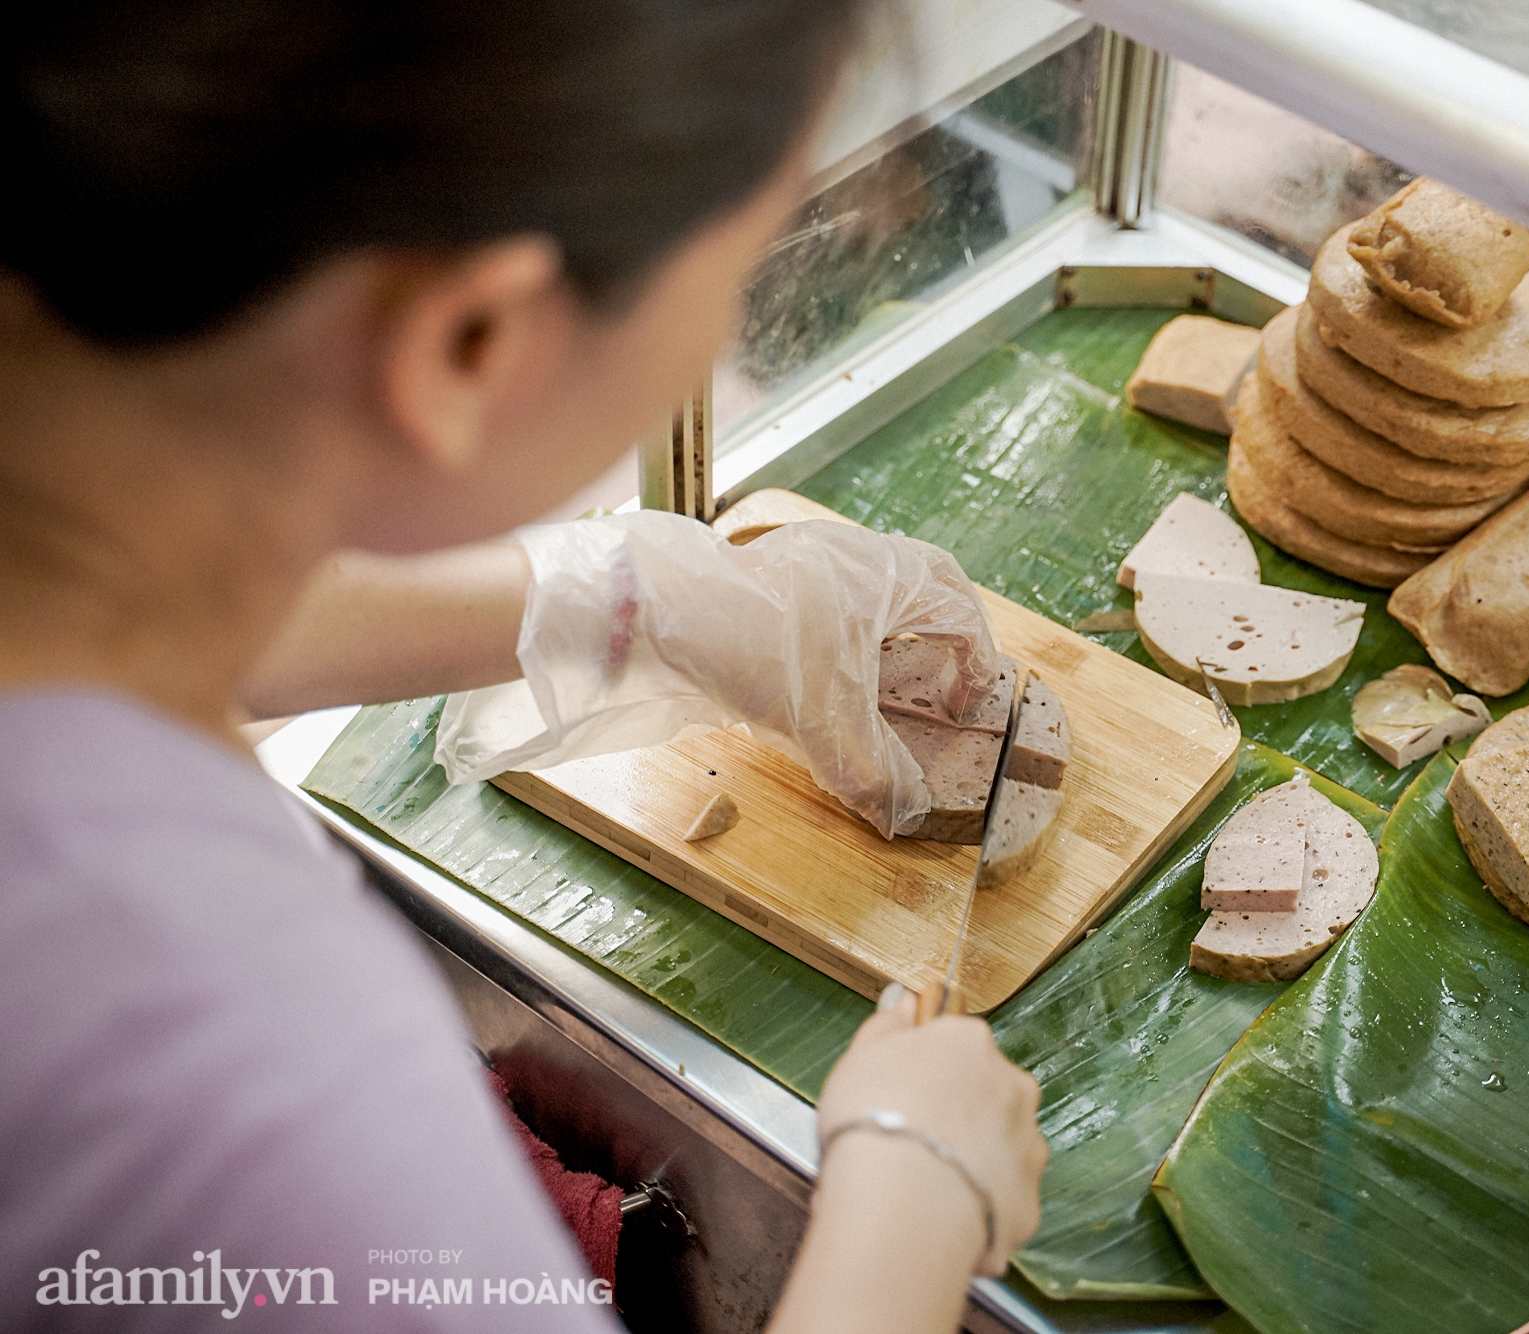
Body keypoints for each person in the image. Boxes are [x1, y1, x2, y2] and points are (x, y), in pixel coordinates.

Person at [0, 2, 1048, 1331]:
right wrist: (911, 1194)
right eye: (737, 280)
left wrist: (641, 596)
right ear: (472, 342)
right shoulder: (248, 1079)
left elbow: (152, 590)